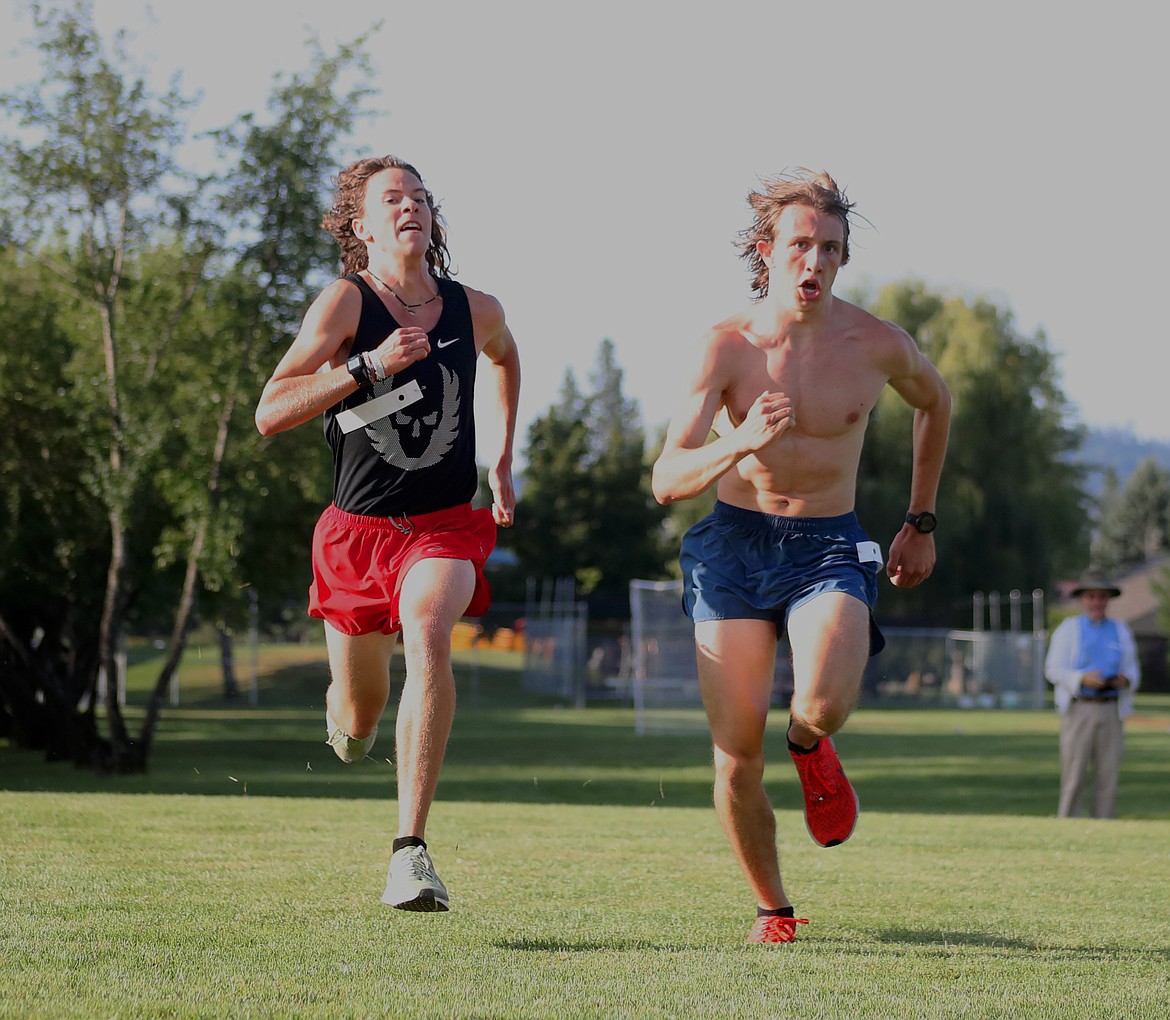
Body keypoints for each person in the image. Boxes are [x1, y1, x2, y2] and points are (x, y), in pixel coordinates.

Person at [651, 169, 951, 944]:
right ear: (768, 250)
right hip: (732, 548)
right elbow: (665, 478)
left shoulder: (878, 344)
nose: (813, 262)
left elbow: (936, 404)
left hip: (829, 544)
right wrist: (741, 443)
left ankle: (811, 744)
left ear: (843, 258)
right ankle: (774, 910)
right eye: (799, 246)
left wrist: (920, 519)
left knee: (823, 702)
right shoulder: (725, 347)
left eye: (830, 248)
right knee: (735, 756)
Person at [255, 155, 520, 912]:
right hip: (355, 535)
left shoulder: (476, 309)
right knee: (360, 710)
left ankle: (410, 851)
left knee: (430, 628)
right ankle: (349, 720)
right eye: (391, 199)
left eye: (420, 198)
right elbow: (271, 412)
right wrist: (366, 365)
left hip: (443, 527)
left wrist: (501, 458)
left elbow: (506, 358)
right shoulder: (345, 304)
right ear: (361, 226)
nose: (410, 207)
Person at [1044, 578, 1140, 819]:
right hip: (1080, 708)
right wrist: (1081, 679)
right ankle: (1069, 821)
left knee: (1108, 773)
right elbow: (1053, 669)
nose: (1097, 602)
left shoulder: (1120, 630)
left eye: (1102, 597)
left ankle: (1104, 822)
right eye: (1092, 597)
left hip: (1111, 707)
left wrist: (1125, 680)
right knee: (1074, 773)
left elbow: (1133, 668)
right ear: (1083, 599)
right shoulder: (1069, 629)